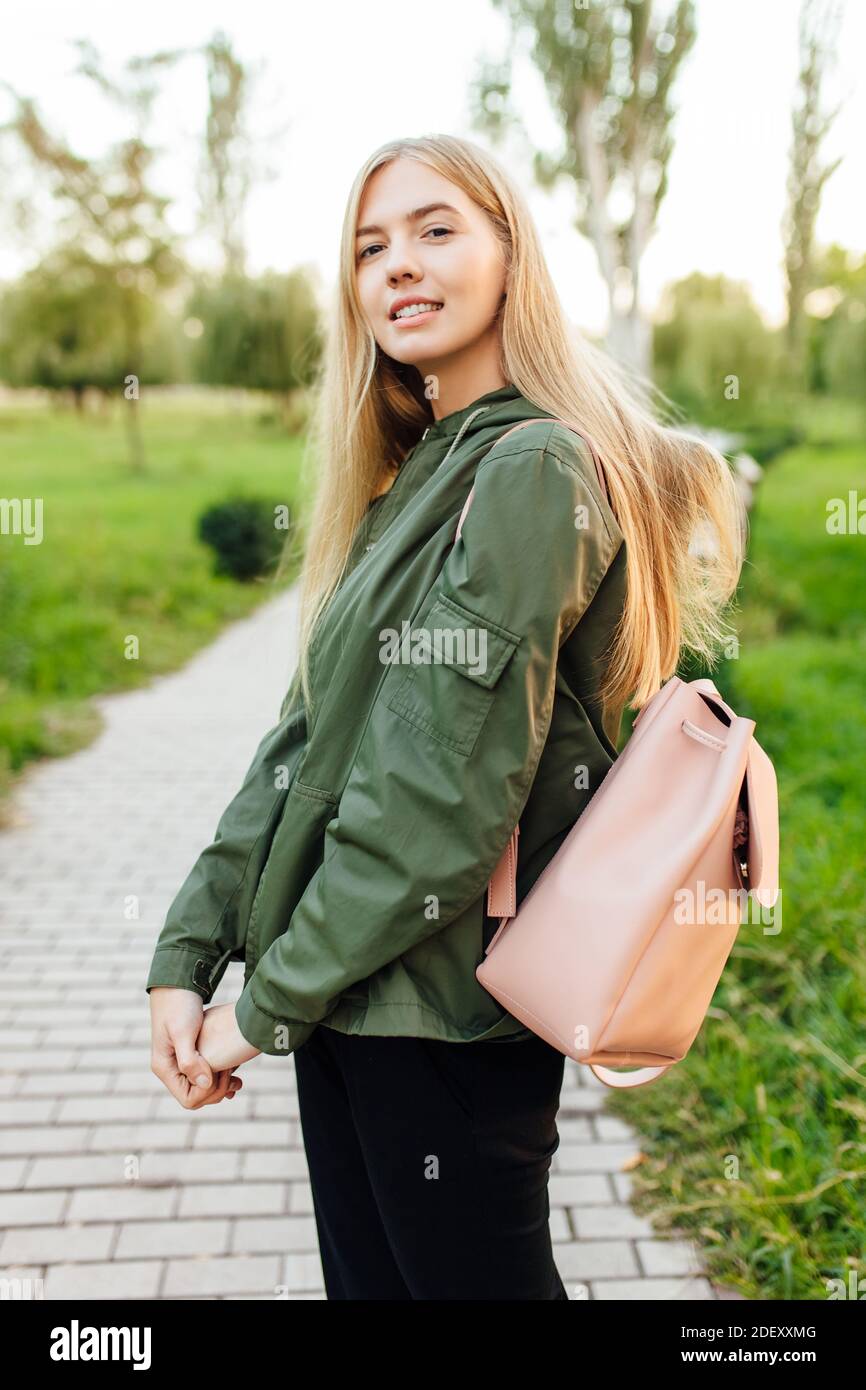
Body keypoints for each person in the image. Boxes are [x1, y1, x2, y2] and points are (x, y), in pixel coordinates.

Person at [147, 133, 744, 1300]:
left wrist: (257, 1010)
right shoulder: (417, 472)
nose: (397, 267)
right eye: (370, 248)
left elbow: (437, 801)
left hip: (444, 1018)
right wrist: (190, 950)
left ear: (509, 256)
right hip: (348, 1001)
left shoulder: (531, 471)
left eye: (434, 230)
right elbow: (300, 745)